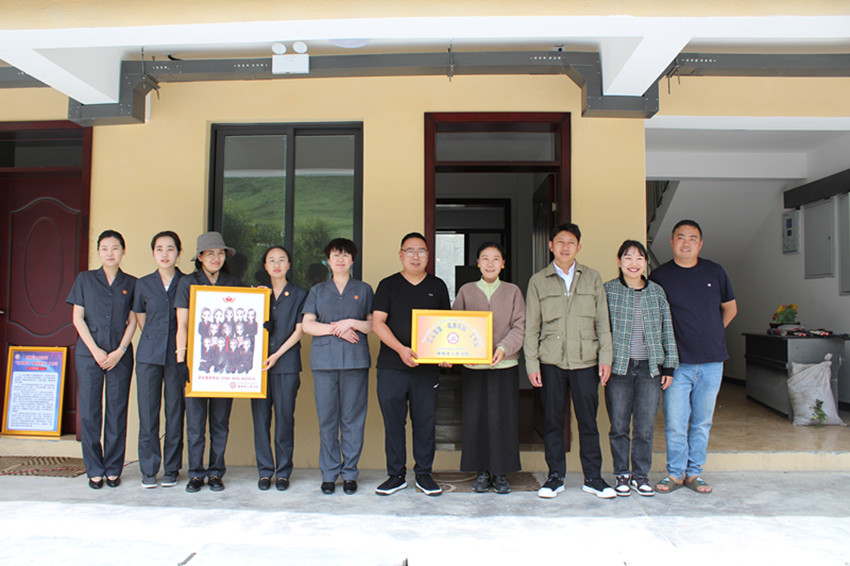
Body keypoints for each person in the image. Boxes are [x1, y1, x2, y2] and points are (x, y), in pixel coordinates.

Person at [523, 222, 615, 499]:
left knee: (588, 422)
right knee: (552, 421)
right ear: (551, 245)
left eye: (571, 242)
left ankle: (593, 478)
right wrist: (532, 364)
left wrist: (606, 358)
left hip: (586, 361)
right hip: (551, 361)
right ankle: (555, 477)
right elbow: (532, 327)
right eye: (560, 242)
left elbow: (603, 323)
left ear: (579, 247)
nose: (565, 247)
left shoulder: (592, 278)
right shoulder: (538, 281)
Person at [649, 220, 737, 495]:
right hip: (677, 364)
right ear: (672, 241)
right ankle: (675, 474)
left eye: (692, 238)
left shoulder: (715, 271)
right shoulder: (660, 276)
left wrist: (714, 332)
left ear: (700, 244)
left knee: (701, 422)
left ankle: (694, 473)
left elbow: (730, 308)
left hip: (712, 362)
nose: (686, 243)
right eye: (680, 237)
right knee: (676, 422)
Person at [372, 232, 450, 497]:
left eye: (421, 251)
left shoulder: (437, 286)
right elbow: (378, 323)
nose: (416, 256)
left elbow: (445, 326)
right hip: (391, 366)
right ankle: (396, 475)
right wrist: (401, 349)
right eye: (410, 251)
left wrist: (445, 353)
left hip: (426, 370)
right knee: (394, 424)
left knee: (425, 423)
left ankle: (424, 475)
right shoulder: (388, 285)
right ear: (400, 255)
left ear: (428, 255)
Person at [603, 240, 678, 497]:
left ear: (645, 263)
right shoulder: (608, 291)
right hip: (619, 368)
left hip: (650, 369)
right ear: (619, 261)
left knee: (645, 427)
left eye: (639, 258)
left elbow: (667, 328)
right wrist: (601, 363)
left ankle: (640, 476)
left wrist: (669, 366)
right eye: (628, 257)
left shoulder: (656, 292)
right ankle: (621, 475)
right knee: (619, 426)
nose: (633, 263)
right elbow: (600, 330)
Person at [301, 238, 374, 495]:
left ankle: (350, 473)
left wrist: (351, 322)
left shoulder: (364, 289)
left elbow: (372, 325)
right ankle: (330, 473)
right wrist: (337, 329)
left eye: (345, 255)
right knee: (328, 419)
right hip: (324, 363)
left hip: (355, 362)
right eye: (335, 255)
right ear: (328, 261)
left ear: (352, 260)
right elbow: (307, 325)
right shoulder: (317, 291)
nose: (340, 259)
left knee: (353, 419)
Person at [452, 242, 525, 495]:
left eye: (496, 259)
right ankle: (481, 472)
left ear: (503, 264)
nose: (490, 263)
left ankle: (501, 473)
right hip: (474, 367)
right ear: (478, 263)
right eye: (485, 258)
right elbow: (456, 324)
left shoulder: (513, 291)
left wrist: (503, 348)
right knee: (476, 419)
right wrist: (464, 352)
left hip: (505, 364)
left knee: (504, 419)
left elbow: (520, 325)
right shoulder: (466, 291)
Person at [66, 229, 137, 489]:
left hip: (120, 354)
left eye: (115, 248)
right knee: (90, 412)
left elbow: (133, 321)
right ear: (98, 251)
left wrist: (120, 350)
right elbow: (77, 318)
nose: (110, 253)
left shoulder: (132, 283)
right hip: (89, 354)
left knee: (117, 411)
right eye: (105, 248)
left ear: (123, 251)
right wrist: (95, 350)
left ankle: (113, 468)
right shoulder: (85, 279)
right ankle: (94, 469)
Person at [175, 231, 242, 493]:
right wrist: (182, 359)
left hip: (226, 363)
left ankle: (216, 472)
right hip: (196, 362)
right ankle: (195, 472)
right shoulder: (187, 283)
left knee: (220, 422)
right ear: (200, 257)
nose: (216, 258)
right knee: (195, 423)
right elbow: (182, 324)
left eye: (220, 253)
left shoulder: (233, 283)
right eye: (210, 253)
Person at [251, 246, 307, 492]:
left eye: (281, 260)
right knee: (260, 419)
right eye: (271, 260)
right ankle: (265, 471)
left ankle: (283, 472)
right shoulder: (256, 294)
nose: (276, 264)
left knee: (284, 419)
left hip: (286, 364)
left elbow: (300, 330)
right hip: (257, 367)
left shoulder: (299, 294)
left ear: (289, 265)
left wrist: (276, 355)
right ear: (265, 266)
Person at [132, 230, 185, 489]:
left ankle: (172, 469)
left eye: (170, 249)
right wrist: (156, 339)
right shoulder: (143, 284)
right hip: (148, 356)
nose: (165, 254)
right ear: (153, 253)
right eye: (159, 249)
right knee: (148, 414)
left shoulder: (187, 282)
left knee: (175, 413)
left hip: (177, 357)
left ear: (179, 253)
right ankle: (149, 470)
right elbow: (141, 317)